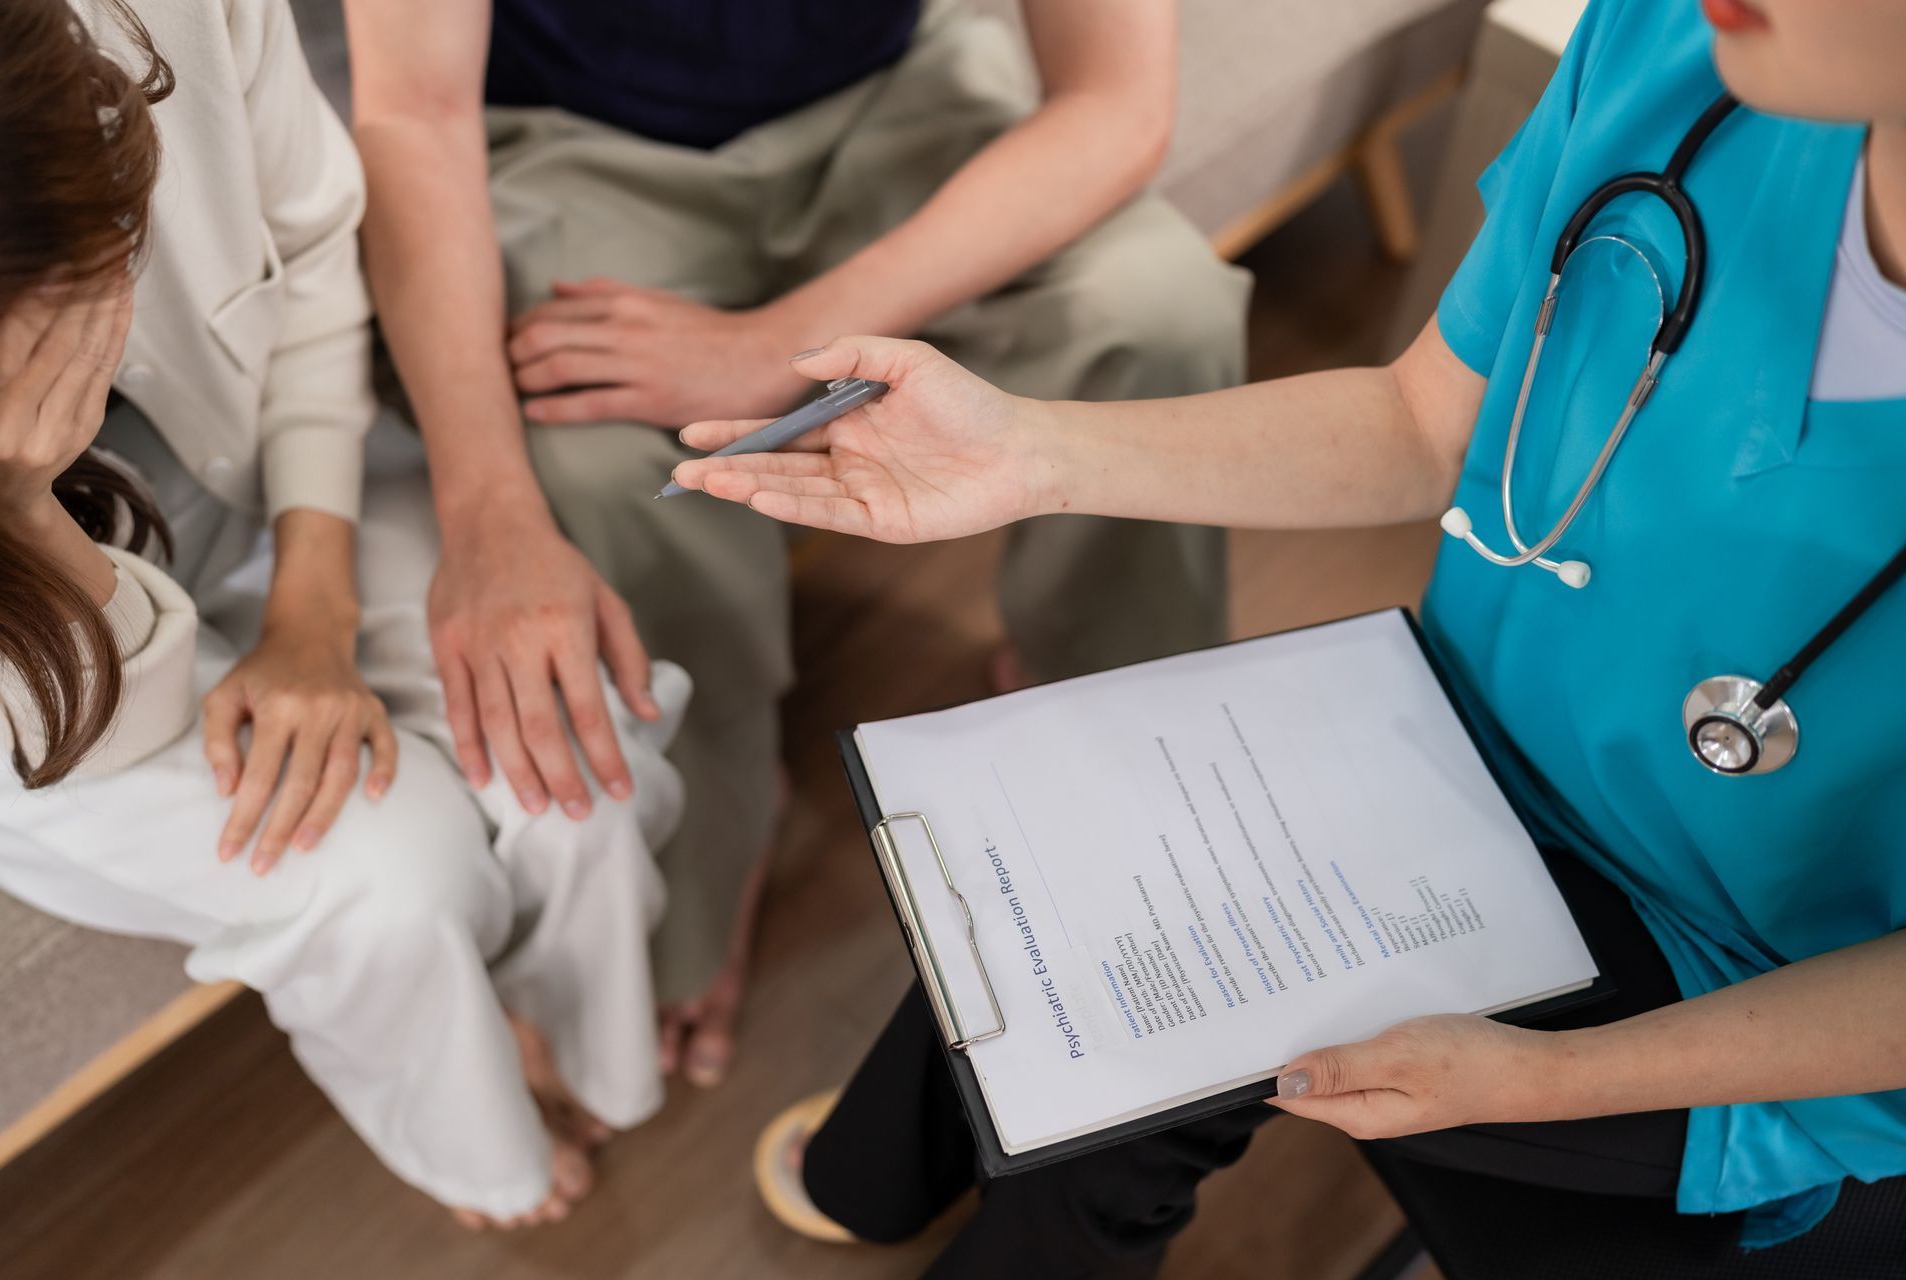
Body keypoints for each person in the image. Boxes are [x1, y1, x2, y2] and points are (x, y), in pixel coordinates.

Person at [674, 0, 1906, 1271]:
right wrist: (1030, 452)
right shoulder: (1674, 43)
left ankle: (926, 1178)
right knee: (1069, 902)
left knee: (1134, 1070)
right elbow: (1426, 425)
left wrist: (1543, 1078)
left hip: (1748, 970)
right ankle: (897, 1166)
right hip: (1464, 739)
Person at [339, 0, 1250, 1086]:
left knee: (1162, 309)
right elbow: (411, 111)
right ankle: (723, 813)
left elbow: (1115, 98)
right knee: (598, 465)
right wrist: (485, 516)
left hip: (897, 97)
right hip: (579, 142)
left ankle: (1101, 699)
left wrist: (773, 348)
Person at [0, 0, 686, 1230]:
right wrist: (19, 503)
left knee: (575, 762)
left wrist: (316, 601)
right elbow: (107, 726)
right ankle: (479, 1150)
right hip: (42, 668)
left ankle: (592, 1058)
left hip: (256, 481)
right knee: (392, 875)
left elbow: (309, 254)